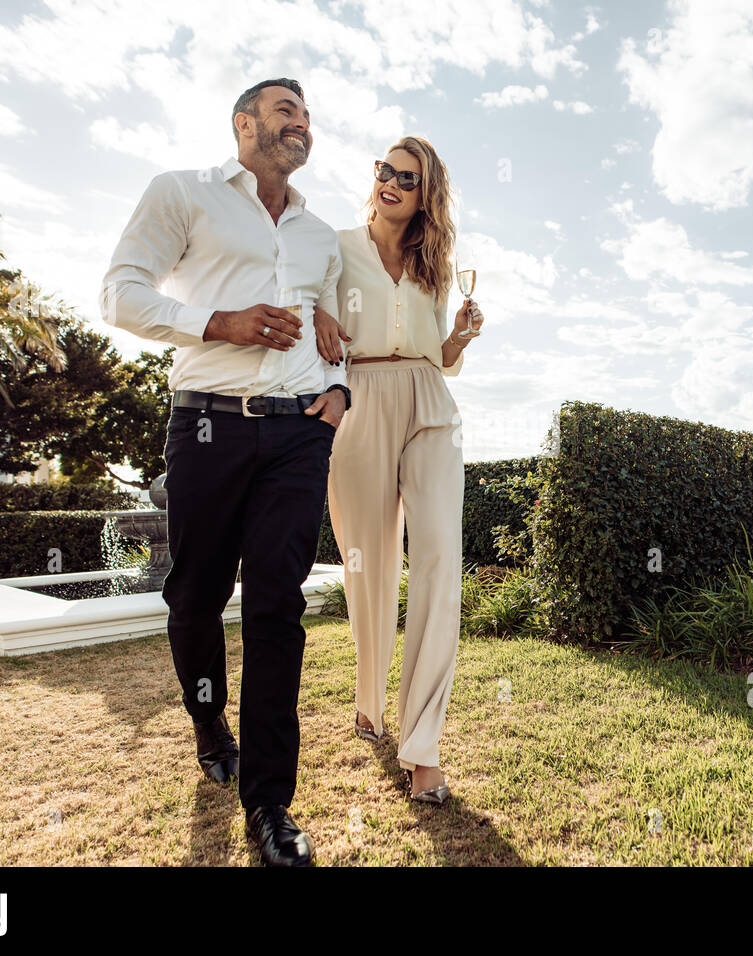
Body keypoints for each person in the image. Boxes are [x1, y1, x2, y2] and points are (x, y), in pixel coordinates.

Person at [100, 78, 350, 867]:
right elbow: (120, 293)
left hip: (300, 436)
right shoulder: (182, 193)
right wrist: (220, 323)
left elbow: (336, 327)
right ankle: (209, 723)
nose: (301, 125)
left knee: (279, 607)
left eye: (307, 116)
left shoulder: (320, 236)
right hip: (206, 424)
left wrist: (341, 391)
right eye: (286, 112)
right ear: (244, 124)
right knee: (197, 595)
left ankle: (271, 803)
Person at [313, 136, 484, 806]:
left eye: (405, 178)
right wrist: (320, 313)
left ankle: (423, 747)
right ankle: (369, 698)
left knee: (440, 557)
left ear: (425, 194)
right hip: (359, 400)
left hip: (429, 402)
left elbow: (435, 355)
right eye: (384, 170)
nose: (389, 182)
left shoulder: (437, 263)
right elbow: (314, 316)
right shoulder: (334, 246)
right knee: (367, 566)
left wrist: (460, 338)